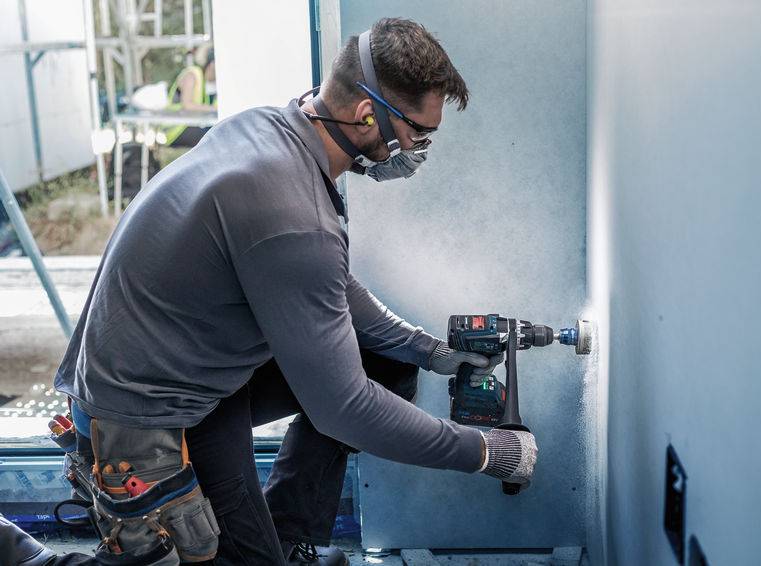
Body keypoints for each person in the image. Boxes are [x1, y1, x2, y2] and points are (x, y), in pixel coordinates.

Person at [3, 18, 538, 566]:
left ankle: (284, 538)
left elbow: (327, 283)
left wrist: (428, 350)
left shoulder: (271, 127)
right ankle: (22, 554)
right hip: (139, 420)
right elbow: (345, 409)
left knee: (386, 361)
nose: (418, 150)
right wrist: (484, 452)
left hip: (196, 379)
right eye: (417, 134)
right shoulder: (293, 214)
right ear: (365, 115)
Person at [164, 46, 217, 147]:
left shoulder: (211, 85)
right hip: (176, 129)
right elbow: (187, 105)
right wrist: (214, 109)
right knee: (212, 137)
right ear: (211, 64)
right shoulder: (192, 75)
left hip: (193, 125)